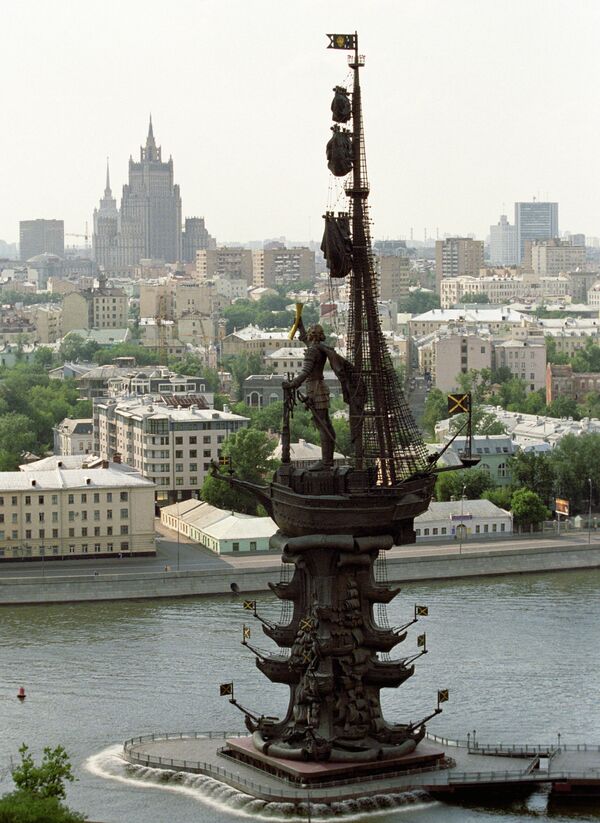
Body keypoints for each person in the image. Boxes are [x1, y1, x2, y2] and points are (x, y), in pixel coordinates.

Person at [282, 322, 336, 470]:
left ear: (313, 335)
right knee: (326, 424)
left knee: (322, 425)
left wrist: (292, 384)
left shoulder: (312, 351)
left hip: (315, 388)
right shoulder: (319, 347)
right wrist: (300, 326)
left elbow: (305, 372)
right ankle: (328, 459)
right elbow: (306, 340)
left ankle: (326, 461)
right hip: (321, 387)